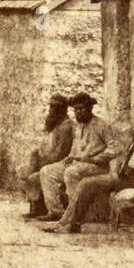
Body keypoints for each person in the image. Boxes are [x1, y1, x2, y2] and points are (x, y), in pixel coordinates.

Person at [45, 101, 134, 234]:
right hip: (128, 175)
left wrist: (127, 172)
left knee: (87, 184)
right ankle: (67, 222)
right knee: (85, 182)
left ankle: (71, 224)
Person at [36, 93, 117, 223]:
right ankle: (56, 211)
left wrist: (95, 158)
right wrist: (69, 157)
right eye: (76, 110)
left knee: (71, 173)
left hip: (97, 166)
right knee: (47, 171)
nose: (78, 113)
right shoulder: (78, 126)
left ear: (90, 109)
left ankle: (76, 215)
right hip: (77, 163)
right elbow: (76, 147)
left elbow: (114, 149)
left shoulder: (101, 125)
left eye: (82, 109)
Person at [23, 94, 73, 219]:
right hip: (48, 161)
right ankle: (36, 206)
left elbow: (60, 155)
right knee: (23, 170)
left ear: (61, 110)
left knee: (33, 177)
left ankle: (51, 211)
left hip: (59, 163)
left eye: (54, 107)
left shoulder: (66, 127)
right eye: (51, 107)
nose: (51, 110)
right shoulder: (55, 125)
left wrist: (42, 160)